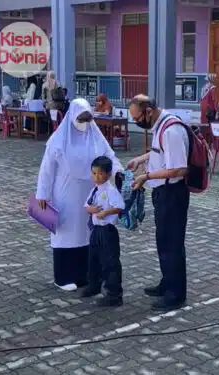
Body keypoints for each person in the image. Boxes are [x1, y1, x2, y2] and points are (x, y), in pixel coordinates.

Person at [35, 99, 123, 292]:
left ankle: (87, 275)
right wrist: (42, 193)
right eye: (80, 119)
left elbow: (110, 157)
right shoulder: (58, 140)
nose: (84, 122)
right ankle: (64, 277)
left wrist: (118, 172)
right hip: (64, 195)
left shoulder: (94, 135)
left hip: (91, 193)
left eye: (87, 118)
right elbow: (46, 169)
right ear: (72, 117)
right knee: (66, 233)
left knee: (87, 234)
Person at [126, 95, 190, 311]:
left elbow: (179, 169)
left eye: (138, 118)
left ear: (150, 110)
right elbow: (159, 152)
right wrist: (140, 160)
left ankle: (175, 294)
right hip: (163, 192)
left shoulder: (171, 130)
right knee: (163, 241)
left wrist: (147, 176)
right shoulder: (160, 125)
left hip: (172, 192)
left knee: (172, 243)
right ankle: (167, 282)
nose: (137, 122)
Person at [81, 156, 125, 307]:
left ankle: (114, 294)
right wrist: (91, 210)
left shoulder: (110, 190)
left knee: (109, 262)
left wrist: (105, 213)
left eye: (100, 173)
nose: (96, 177)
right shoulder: (94, 190)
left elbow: (119, 206)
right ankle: (94, 285)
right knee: (93, 259)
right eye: (94, 173)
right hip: (96, 229)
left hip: (107, 230)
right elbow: (86, 205)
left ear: (107, 174)